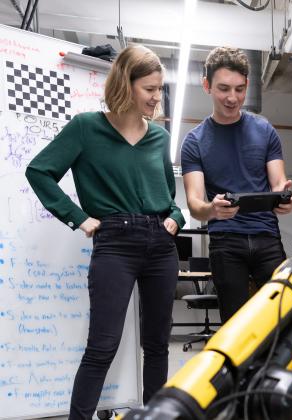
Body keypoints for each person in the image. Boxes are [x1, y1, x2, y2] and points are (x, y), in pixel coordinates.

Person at [25, 45, 185, 419]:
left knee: (158, 344)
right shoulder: (87, 128)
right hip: (115, 243)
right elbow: (39, 171)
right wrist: (77, 217)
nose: (156, 97)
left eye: (159, 89)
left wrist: (176, 217)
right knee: (102, 345)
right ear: (125, 86)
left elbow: (168, 197)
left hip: (160, 245)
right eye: (149, 88)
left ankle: (155, 415)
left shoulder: (159, 138)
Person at [181, 46, 292, 322]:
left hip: (267, 238)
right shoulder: (194, 142)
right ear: (206, 85)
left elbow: (278, 182)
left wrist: (284, 198)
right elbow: (195, 204)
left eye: (239, 89)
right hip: (225, 243)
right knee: (234, 325)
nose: (233, 98)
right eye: (223, 88)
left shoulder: (264, 130)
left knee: (282, 318)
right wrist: (212, 210)